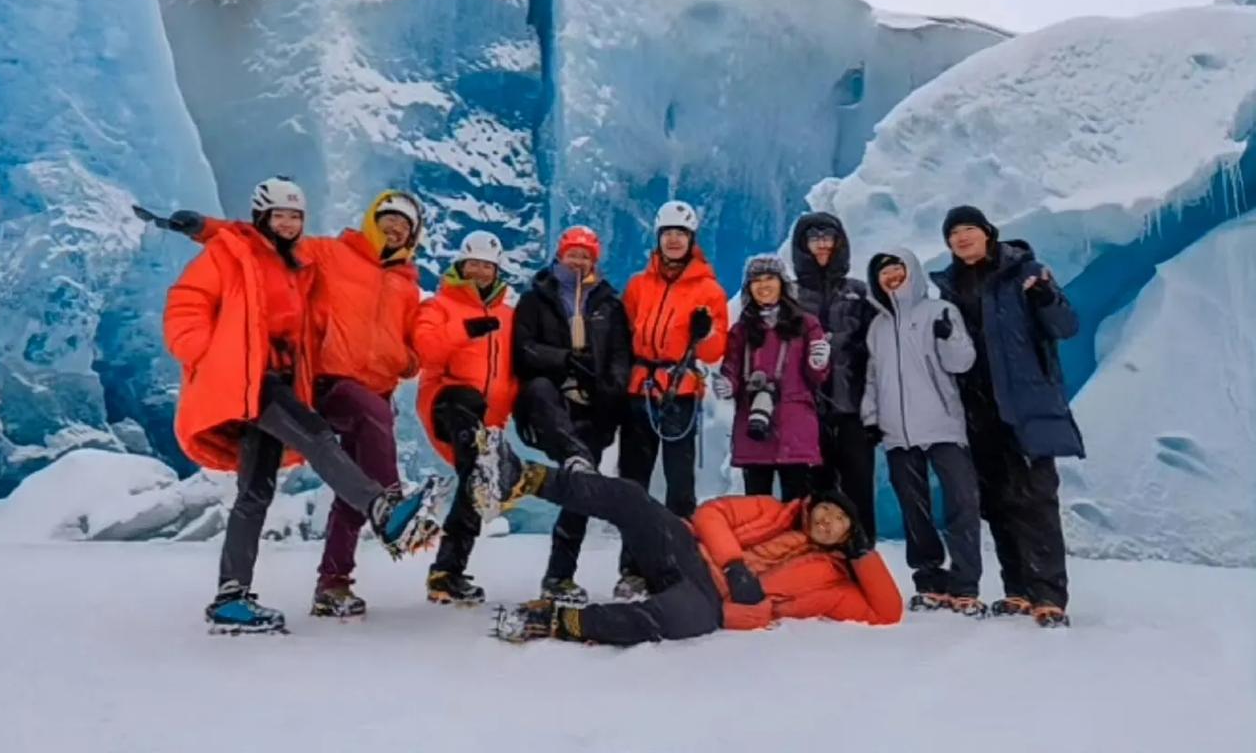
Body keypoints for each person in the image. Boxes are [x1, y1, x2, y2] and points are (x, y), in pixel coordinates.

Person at [163, 177, 432, 634]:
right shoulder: (245, 254)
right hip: (254, 378)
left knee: (254, 492)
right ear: (261, 217)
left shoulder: (296, 263)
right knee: (317, 435)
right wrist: (208, 356)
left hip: (283, 379)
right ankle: (381, 508)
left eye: (294, 217)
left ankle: (231, 597)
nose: (287, 224)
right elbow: (190, 301)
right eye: (279, 216)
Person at [482, 448, 903, 645]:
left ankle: (559, 622)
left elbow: (887, 612)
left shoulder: (834, 583)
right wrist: (734, 564)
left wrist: (864, 554)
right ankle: (527, 478)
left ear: (849, 534)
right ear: (813, 507)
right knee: (631, 499)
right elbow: (710, 515)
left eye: (840, 522)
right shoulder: (774, 509)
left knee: (675, 619)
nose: (827, 523)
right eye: (826, 512)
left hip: (714, 603)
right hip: (688, 553)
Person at [930, 205, 1084, 629]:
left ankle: (1049, 594)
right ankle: (1017, 588)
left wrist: (1045, 297)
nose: (962, 238)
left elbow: (1066, 326)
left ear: (987, 232)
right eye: (953, 233)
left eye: (968, 229)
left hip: (1026, 408)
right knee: (997, 502)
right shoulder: (948, 289)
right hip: (978, 411)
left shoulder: (1026, 273)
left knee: (1037, 498)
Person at [512, 225, 633, 605]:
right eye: (573, 254)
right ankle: (571, 453)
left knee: (579, 495)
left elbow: (619, 355)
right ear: (560, 256)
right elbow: (523, 349)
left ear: (594, 260)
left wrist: (607, 392)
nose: (578, 261)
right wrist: (563, 360)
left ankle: (559, 577)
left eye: (585, 255)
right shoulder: (535, 300)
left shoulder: (608, 306)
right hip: (550, 404)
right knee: (573, 458)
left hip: (593, 409)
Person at [617, 200, 729, 599]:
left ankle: (676, 567)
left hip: (680, 392)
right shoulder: (638, 285)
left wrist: (705, 333)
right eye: (668, 234)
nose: (674, 240)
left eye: (680, 234)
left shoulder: (708, 290)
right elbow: (623, 333)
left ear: (691, 240)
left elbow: (716, 350)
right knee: (633, 484)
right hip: (640, 389)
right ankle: (631, 568)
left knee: (680, 487)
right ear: (659, 239)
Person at [862, 249, 983, 616]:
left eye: (897, 267)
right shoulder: (878, 327)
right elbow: (873, 377)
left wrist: (948, 337)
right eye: (883, 271)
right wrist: (871, 418)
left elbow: (962, 361)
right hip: (899, 433)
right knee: (915, 510)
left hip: (943, 426)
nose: (892, 276)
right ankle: (930, 580)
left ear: (911, 269)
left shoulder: (938, 311)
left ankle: (965, 584)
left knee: (963, 503)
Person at [413, 230, 518, 606]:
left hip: (486, 420)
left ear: (496, 270)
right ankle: (446, 572)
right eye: (473, 263)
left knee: (477, 479)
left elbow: (514, 373)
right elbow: (425, 348)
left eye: (487, 266)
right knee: (474, 462)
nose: (479, 272)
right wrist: (465, 330)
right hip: (447, 402)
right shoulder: (440, 306)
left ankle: (447, 572)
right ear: (461, 264)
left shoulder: (508, 315)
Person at [790, 213, 878, 540]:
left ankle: (863, 558)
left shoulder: (858, 292)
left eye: (828, 238)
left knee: (858, 491)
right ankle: (816, 568)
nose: (822, 246)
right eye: (814, 239)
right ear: (803, 246)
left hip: (851, 408)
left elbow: (877, 350)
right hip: (807, 411)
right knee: (815, 494)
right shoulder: (791, 296)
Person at [714, 254, 830, 502]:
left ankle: (797, 543)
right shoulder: (742, 330)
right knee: (758, 507)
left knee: (797, 506)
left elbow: (817, 377)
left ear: (782, 284)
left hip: (794, 425)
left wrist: (818, 363)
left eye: (770, 278)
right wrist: (726, 384)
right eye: (756, 281)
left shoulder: (806, 324)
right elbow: (732, 368)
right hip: (755, 425)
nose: (763, 285)